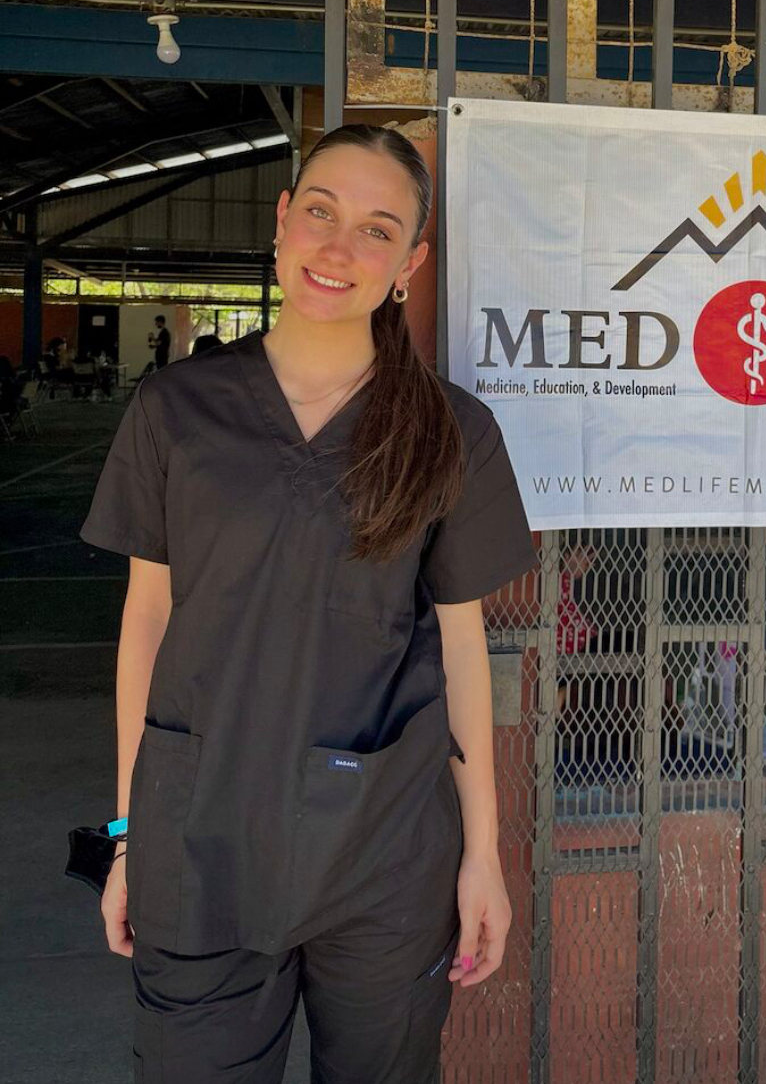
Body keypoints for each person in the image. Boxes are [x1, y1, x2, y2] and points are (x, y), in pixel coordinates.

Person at [79, 123, 540, 1083]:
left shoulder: (452, 429)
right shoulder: (176, 407)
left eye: (378, 229)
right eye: (322, 212)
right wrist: (129, 832)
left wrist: (481, 856)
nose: (340, 248)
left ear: (410, 262)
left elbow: (463, 648)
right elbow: (147, 623)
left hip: (386, 852)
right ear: (283, 222)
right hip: (199, 838)